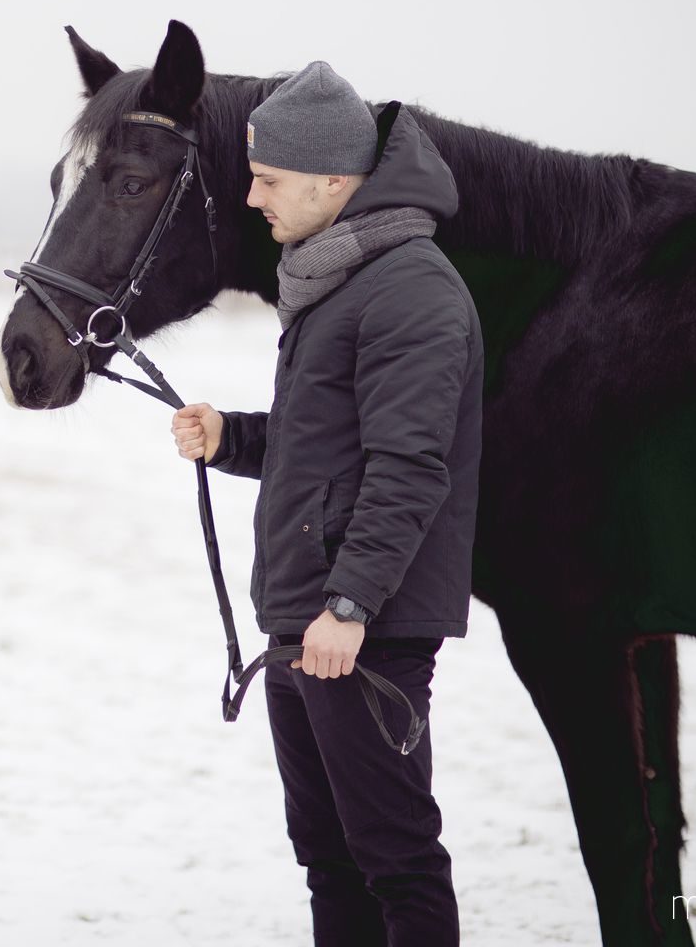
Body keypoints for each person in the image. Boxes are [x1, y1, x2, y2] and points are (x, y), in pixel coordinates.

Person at [170, 62, 483, 947]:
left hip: (360, 628)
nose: (254, 197)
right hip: (307, 618)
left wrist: (350, 605)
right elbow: (324, 445)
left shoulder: (411, 291)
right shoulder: (339, 280)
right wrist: (229, 436)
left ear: (332, 181)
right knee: (328, 855)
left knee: (394, 856)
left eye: (268, 179)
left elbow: (409, 467)